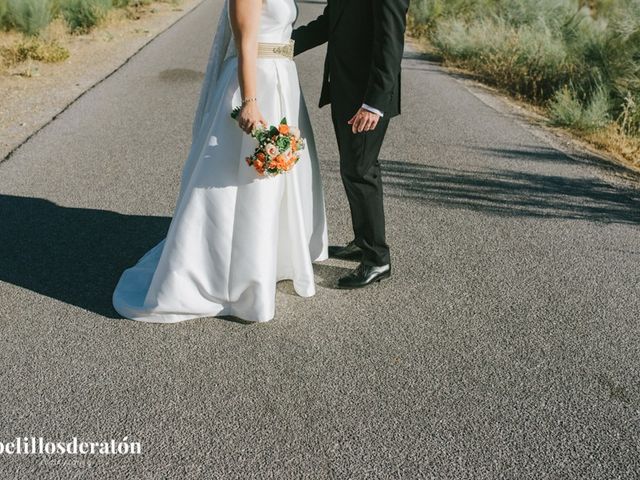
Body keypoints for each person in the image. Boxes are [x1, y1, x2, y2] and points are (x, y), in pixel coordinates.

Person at [112, 0, 328, 323]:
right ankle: (229, 276)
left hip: (282, 80)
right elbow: (245, 42)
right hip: (257, 84)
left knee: (274, 183)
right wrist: (251, 101)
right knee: (245, 180)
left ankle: (271, 261)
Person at [292, 0, 409, 289]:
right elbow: (328, 23)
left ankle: (377, 259)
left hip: (367, 98)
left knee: (360, 170)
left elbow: (390, 41)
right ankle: (362, 242)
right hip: (345, 89)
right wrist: (279, 48)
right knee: (356, 168)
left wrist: (374, 105)